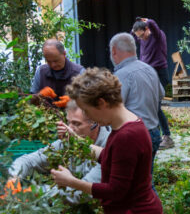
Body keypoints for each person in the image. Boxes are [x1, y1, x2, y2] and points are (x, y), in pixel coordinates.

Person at [50, 68, 162, 214]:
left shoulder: (126, 136)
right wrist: (78, 141)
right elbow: (112, 157)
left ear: (101, 102)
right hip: (139, 212)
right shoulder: (130, 124)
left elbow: (116, 191)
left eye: (88, 111)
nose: (90, 119)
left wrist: (72, 182)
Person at [9, 98, 109, 196]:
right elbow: (29, 161)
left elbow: (84, 192)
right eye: (68, 122)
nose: (69, 128)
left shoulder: (109, 148)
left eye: (76, 124)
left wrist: (35, 192)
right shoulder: (67, 143)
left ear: (95, 123)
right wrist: (14, 177)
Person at [109, 32, 163, 161]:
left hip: (133, 136)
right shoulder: (150, 69)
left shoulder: (122, 75)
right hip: (154, 132)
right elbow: (162, 94)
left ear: (114, 51)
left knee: (132, 180)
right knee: (146, 177)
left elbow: (114, 109)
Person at [132, 17, 174, 149]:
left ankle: (166, 137)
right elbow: (130, 36)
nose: (141, 39)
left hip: (160, 73)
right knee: (147, 105)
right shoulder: (141, 37)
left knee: (155, 106)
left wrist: (146, 20)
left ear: (147, 29)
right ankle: (150, 135)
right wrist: (136, 26)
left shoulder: (157, 36)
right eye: (138, 37)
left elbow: (153, 24)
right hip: (147, 73)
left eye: (142, 35)